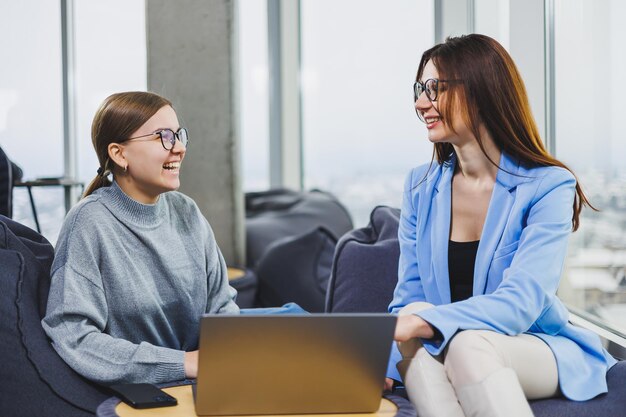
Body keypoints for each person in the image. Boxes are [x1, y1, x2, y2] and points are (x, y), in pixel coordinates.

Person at [385, 34, 616, 417]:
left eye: (435, 89)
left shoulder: (547, 185)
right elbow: (408, 298)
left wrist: (424, 321)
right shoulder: (420, 186)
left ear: (481, 91)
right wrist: (387, 353)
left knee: (465, 344)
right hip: (451, 344)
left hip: (532, 344)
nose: (421, 103)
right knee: (421, 344)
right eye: (419, 89)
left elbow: (520, 305)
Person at [42, 91, 239, 385]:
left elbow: (223, 306)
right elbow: (73, 334)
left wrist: (232, 356)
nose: (180, 148)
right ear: (119, 154)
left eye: (179, 135)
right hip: (139, 392)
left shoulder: (187, 212)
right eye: (163, 136)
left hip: (206, 380)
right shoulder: (89, 223)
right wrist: (182, 363)